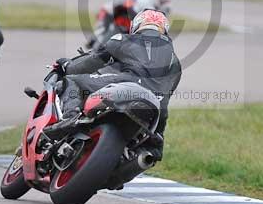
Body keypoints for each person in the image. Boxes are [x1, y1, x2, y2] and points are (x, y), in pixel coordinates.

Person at [46, 9, 182, 160]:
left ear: (137, 25)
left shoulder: (123, 39)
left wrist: (67, 66)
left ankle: (69, 119)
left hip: (128, 85)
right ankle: (150, 151)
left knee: (71, 81)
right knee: (153, 150)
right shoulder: (175, 62)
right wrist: (157, 142)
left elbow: (90, 63)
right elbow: (165, 97)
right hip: (156, 107)